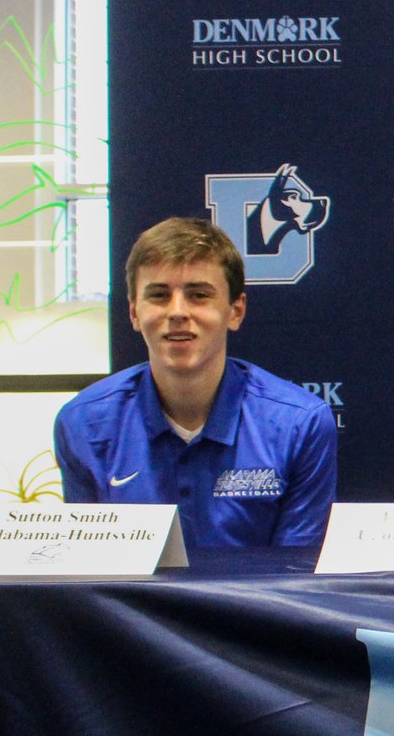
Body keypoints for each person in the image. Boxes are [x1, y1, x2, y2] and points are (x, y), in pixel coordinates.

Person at [53, 216, 336, 547]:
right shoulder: (82, 423)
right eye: (158, 295)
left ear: (236, 311)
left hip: (251, 602)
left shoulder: (300, 424)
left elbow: (294, 575)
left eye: (199, 295)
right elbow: (91, 569)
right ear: (133, 312)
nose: (177, 312)